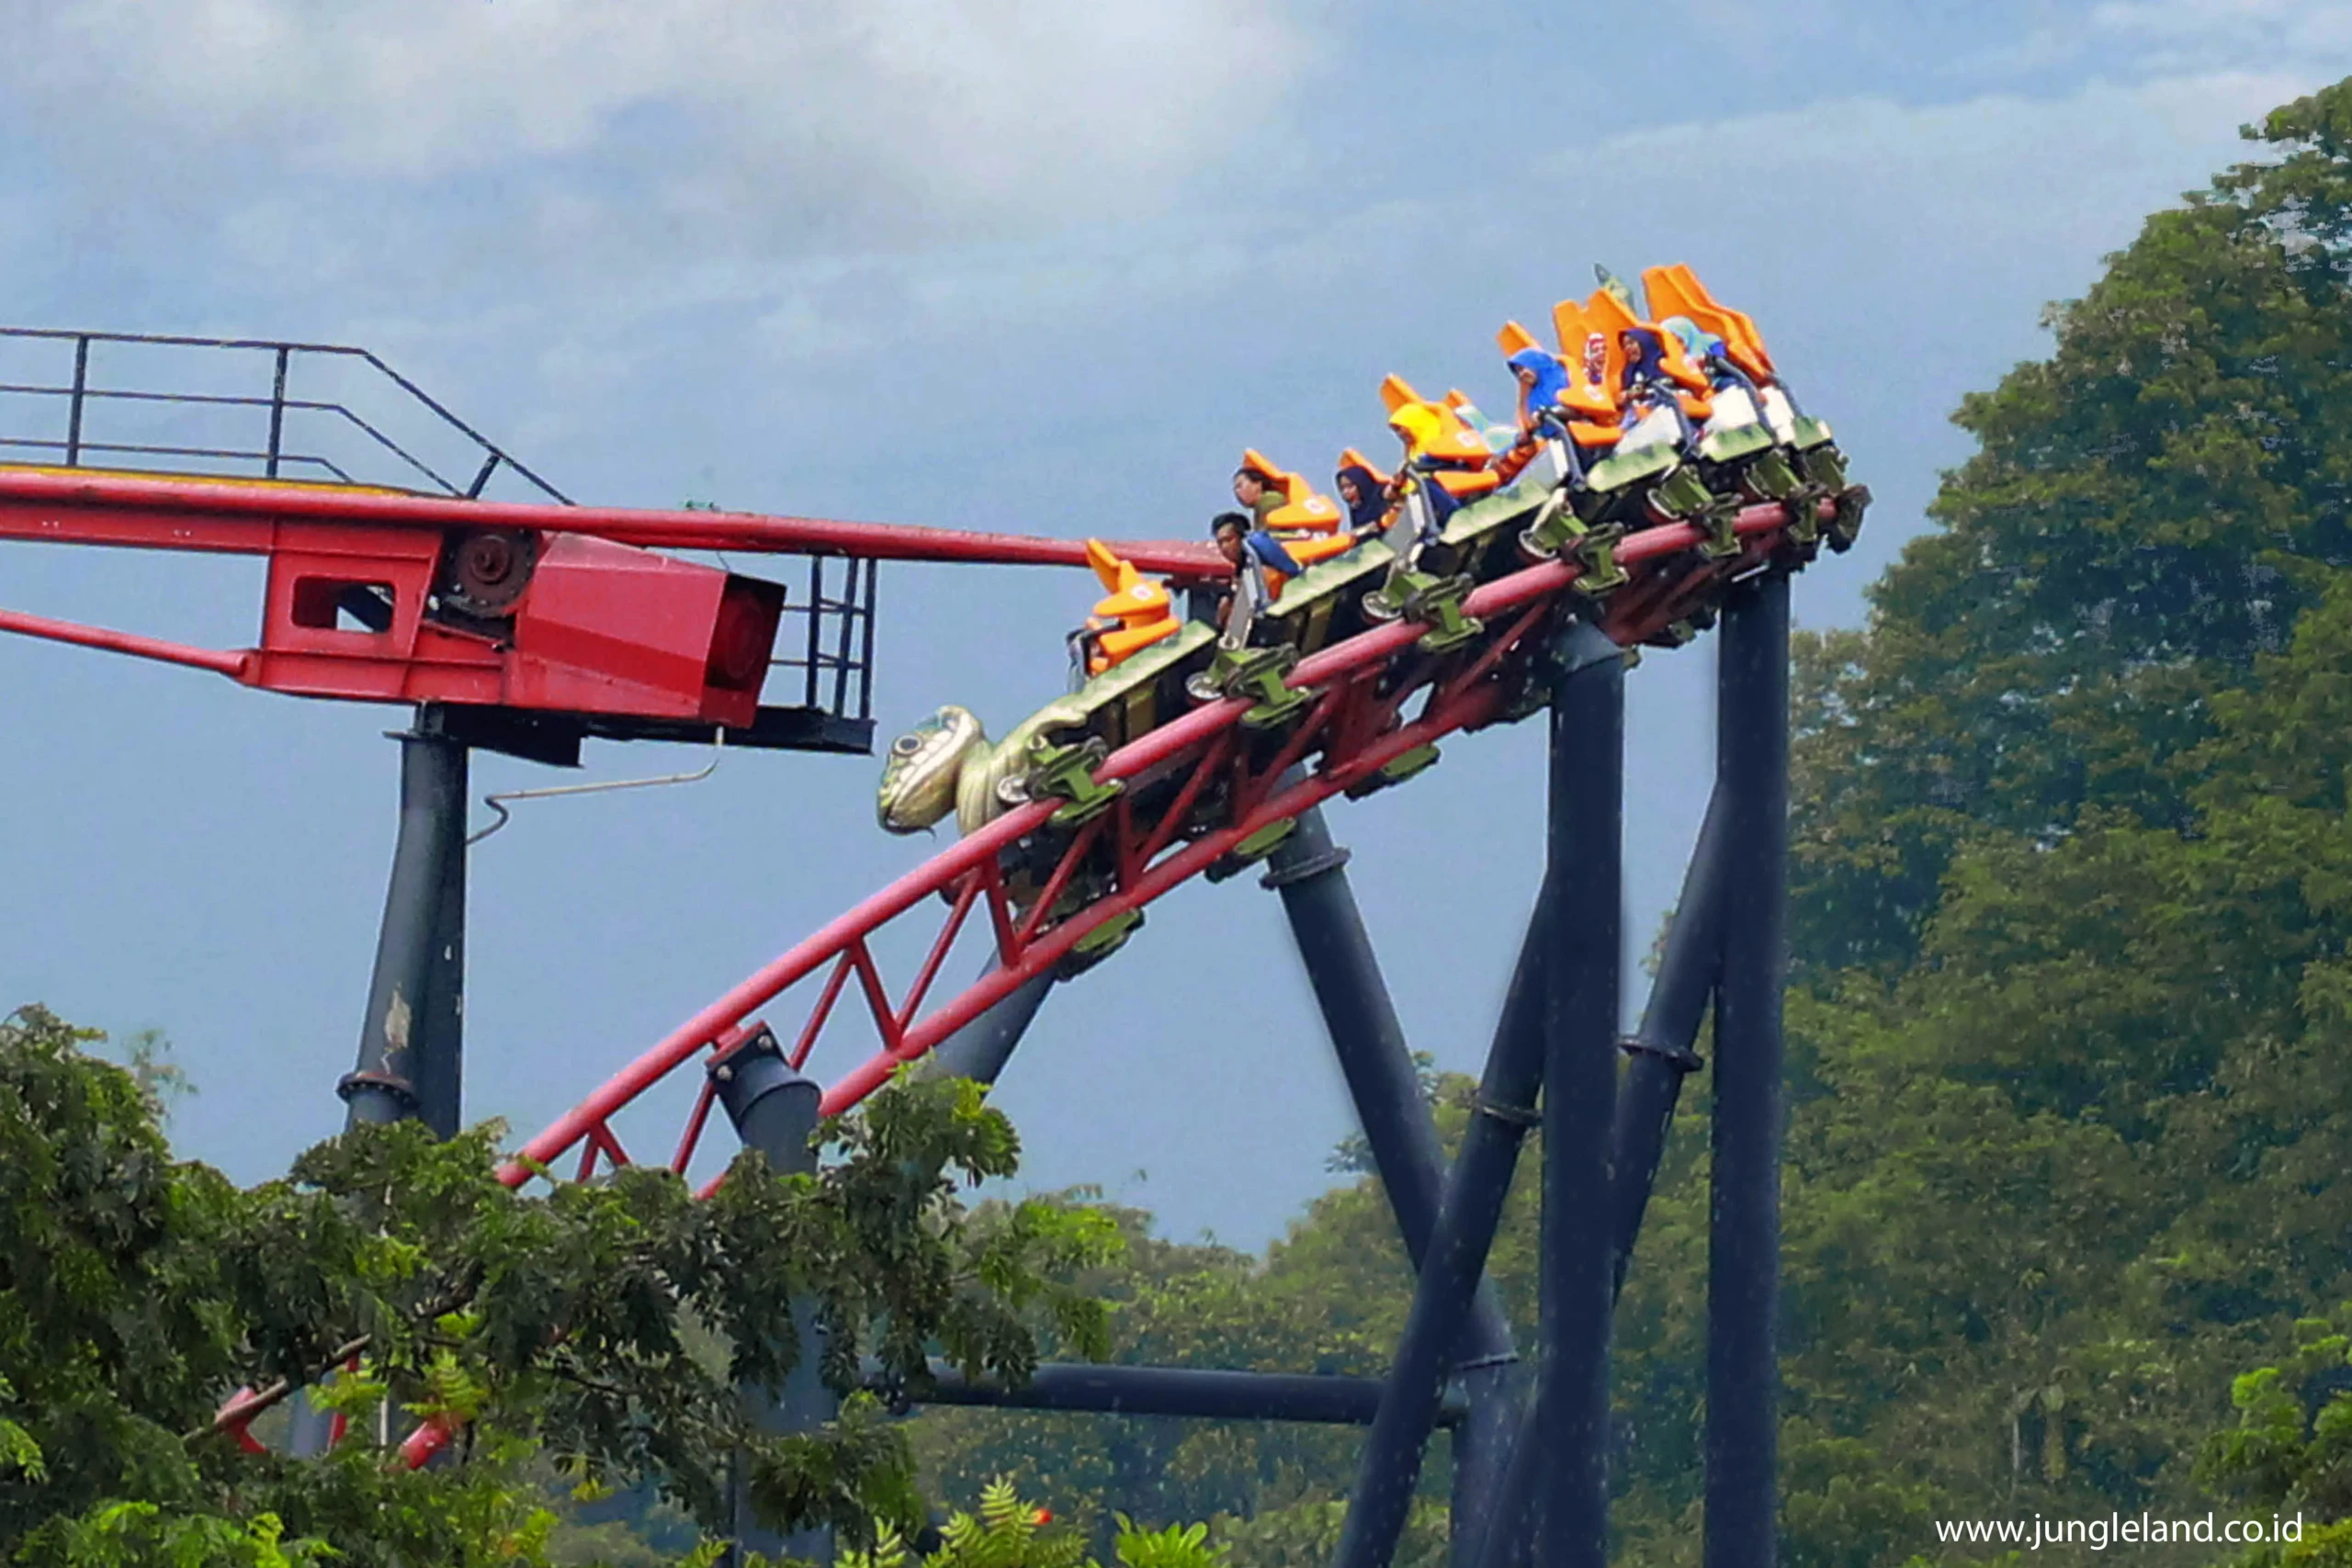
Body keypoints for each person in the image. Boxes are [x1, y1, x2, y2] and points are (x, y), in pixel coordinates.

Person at [1209, 510, 1301, 650]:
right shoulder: (1240, 569)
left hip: (1284, 609)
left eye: (1229, 540)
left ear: (1240, 537)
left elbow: (1293, 570)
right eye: (1220, 543)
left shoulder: (1258, 543)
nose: (1225, 547)